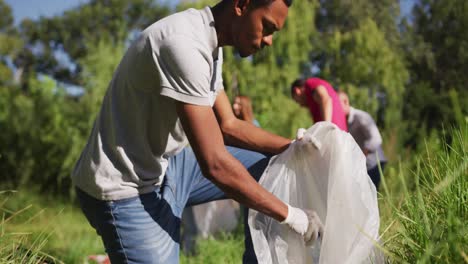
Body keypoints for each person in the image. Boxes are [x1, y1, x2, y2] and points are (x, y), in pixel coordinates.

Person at [72, 1, 324, 263]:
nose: (270, 40)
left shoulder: (211, 42)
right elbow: (215, 164)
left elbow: (229, 125)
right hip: (125, 187)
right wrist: (292, 216)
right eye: (268, 27)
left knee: (272, 166)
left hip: (167, 167)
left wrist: (294, 146)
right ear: (242, 5)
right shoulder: (183, 44)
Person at [181, 95, 258, 255]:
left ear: (245, 106)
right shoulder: (222, 125)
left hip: (246, 175)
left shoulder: (252, 126)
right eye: (234, 103)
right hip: (225, 173)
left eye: (238, 103)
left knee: (251, 216)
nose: (235, 106)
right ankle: (191, 248)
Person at [338, 91, 387, 189]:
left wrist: (362, 155)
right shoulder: (344, 122)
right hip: (362, 167)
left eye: (338, 106)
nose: (336, 110)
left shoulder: (361, 117)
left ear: (346, 102)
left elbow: (376, 139)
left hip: (373, 164)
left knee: (371, 198)